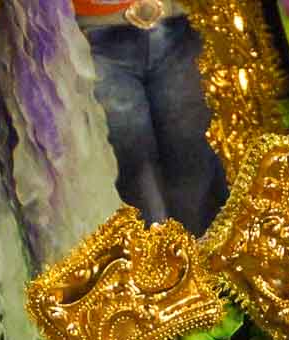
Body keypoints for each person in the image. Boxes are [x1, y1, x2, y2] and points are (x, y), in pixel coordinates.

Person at [75, 0, 225, 232]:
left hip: (183, 20)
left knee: (195, 152)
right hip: (90, 32)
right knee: (134, 166)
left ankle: (205, 257)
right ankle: (163, 261)